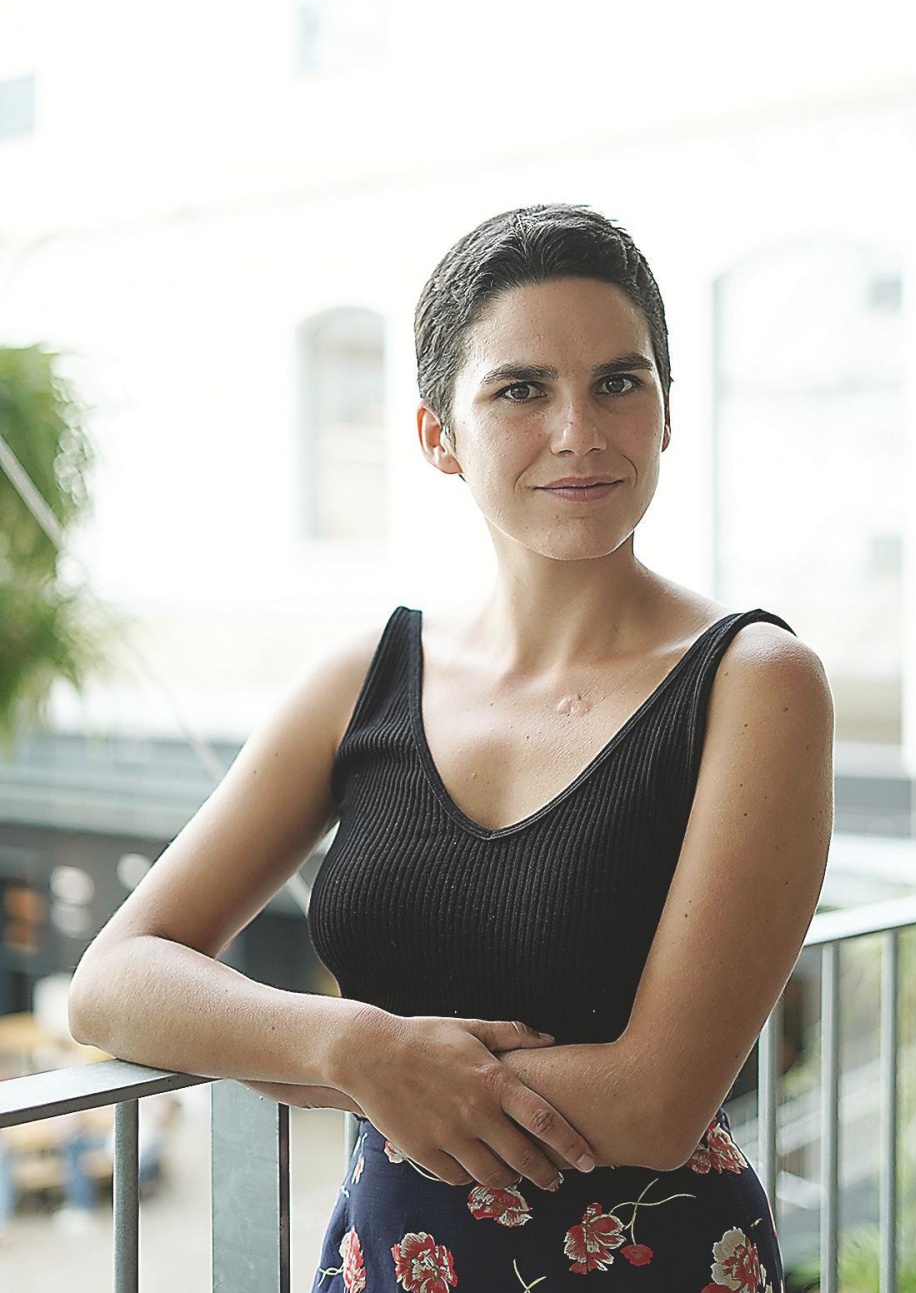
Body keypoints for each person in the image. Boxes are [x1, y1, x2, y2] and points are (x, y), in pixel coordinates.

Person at [67, 203, 834, 1291]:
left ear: (667, 413)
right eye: (521, 389)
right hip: (386, 1263)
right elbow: (112, 980)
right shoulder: (366, 678)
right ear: (438, 435)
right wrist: (355, 1048)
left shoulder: (756, 682)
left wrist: (347, 1070)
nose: (579, 429)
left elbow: (659, 1101)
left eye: (619, 382)